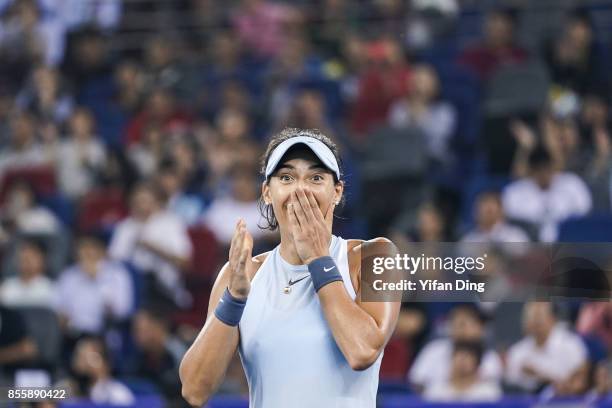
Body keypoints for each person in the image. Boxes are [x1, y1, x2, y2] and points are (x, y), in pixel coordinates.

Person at [179, 128, 401, 407]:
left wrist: (319, 259)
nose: (300, 189)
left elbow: (362, 351)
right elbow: (194, 390)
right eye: (286, 177)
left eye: (316, 178)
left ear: (337, 192)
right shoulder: (243, 274)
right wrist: (234, 299)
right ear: (267, 193)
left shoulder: (375, 256)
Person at [409, 303, 503, 392]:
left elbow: (493, 391)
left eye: (476, 324)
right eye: (461, 324)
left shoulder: (490, 357)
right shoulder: (434, 350)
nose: (467, 329)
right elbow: (416, 382)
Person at [505, 302, 588, 393]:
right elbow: (510, 385)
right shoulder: (517, 351)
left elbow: (580, 383)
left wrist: (539, 375)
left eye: (539, 317)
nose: (535, 322)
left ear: (552, 319)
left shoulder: (571, 345)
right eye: (531, 318)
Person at [423, 340, 502, 402]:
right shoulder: (436, 390)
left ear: (477, 364)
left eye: (467, 357)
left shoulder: (488, 392)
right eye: (459, 357)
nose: (462, 361)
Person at [69, 337, 134, 405]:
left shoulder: (117, 393)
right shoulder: (68, 389)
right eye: (80, 357)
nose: (84, 362)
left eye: (91, 357)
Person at [0, 239, 55, 308]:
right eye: (23, 256)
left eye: (32, 256)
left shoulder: (50, 288)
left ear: (42, 260)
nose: (27, 259)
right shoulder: (7, 287)